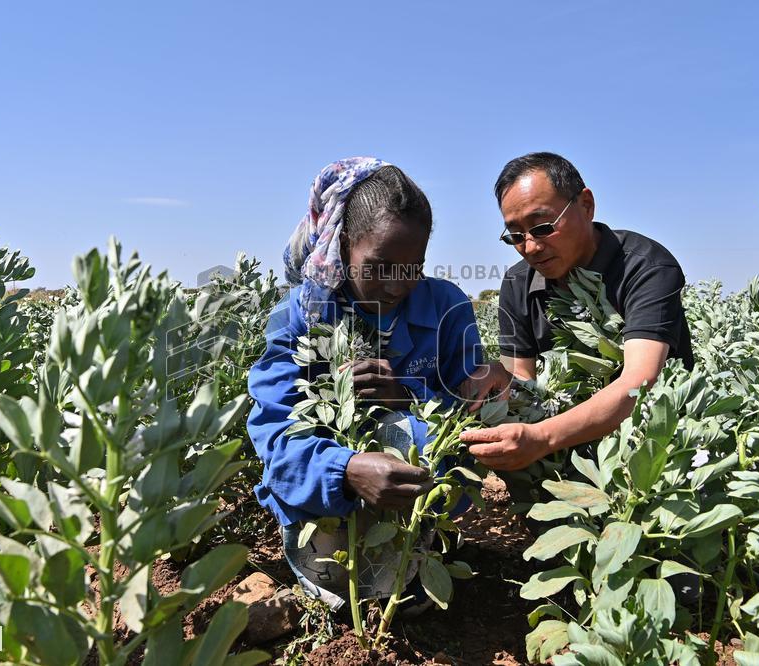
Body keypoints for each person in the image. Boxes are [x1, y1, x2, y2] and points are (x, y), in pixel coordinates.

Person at [246, 157, 483, 610]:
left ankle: (419, 563)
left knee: (400, 428)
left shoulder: (448, 307)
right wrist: (347, 470)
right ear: (346, 244)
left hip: (421, 508)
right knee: (340, 590)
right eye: (379, 266)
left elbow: (471, 422)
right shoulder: (299, 315)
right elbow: (274, 436)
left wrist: (409, 397)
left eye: (413, 267)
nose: (398, 285)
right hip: (326, 509)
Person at [461, 152, 694, 472]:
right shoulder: (517, 283)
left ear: (585, 205)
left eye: (542, 227)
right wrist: (502, 378)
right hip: (567, 448)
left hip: (653, 443)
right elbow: (526, 384)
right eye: (515, 236)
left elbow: (639, 382)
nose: (530, 247)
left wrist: (541, 438)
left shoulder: (646, 267)